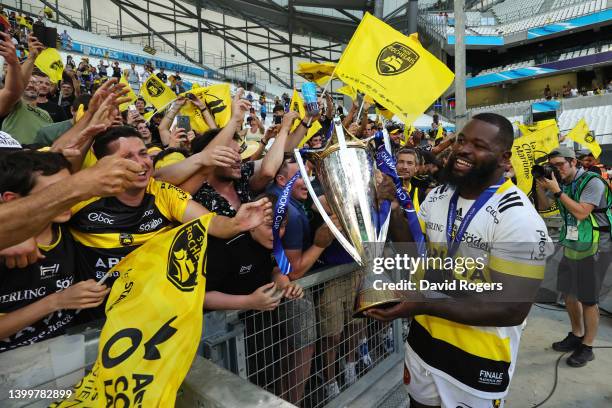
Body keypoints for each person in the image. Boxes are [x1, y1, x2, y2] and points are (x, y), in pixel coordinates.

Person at [375, 113, 552, 408]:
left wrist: (420, 305)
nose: (463, 149)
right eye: (461, 140)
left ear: (504, 158)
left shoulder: (519, 217)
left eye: (479, 145)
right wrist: (393, 208)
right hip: (422, 343)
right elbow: (413, 256)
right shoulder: (439, 195)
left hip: (477, 359)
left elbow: (511, 309)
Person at [67, 126, 271, 321]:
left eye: (143, 153)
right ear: (103, 164)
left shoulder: (162, 193)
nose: (141, 163)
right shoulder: (82, 199)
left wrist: (237, 223)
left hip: (158, 316)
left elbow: (213, 223)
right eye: (128, 157)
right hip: (100, 321)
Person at [0, 151, 110, 352]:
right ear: (12, 199)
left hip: (69, 350)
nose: (68, 200)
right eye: (55, 194)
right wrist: (57, 301)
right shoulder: (6, 250)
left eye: (69, 190)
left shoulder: (72, 225)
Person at [204, 192, 303, 394]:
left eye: (282, 227)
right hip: (220, 338)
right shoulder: (224, 247)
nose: (277, 233)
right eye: (270, 227)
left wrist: (285, 285)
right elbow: (202, 296)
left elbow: (275, 269)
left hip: (259, 330)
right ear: (252, 221)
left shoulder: (271, 241)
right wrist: (249, 301)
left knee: (264, 383)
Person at [535, 146, 612, 367]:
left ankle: (587, 347)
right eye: (553, 165)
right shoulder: (559, 181)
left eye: (560, 164)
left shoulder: (592, 182)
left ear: (573, 163)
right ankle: (577, 334)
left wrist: (558, 192)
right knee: (569, 294)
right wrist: (542, 188)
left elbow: (581, 212)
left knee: (588, 299)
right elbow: (545, 207)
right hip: (573, 243)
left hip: (597, 244)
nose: (556, 169)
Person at [268, 158, 336, 405]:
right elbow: (293, 271)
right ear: (281, 180)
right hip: (293, 295)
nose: (307, 180)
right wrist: (319, 244)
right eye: (300, 176)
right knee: (300, 353)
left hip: (280, 294)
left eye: (308, 175)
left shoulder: (284, 200)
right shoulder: (291, 213)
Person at [0, 34, 51, 145]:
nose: (32, 85)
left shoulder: (46, 114)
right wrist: (29, 57)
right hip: (15, 157)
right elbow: (13, 91)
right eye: (29, 82)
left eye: (35, 82)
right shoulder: (14, 104)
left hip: (42, 157)